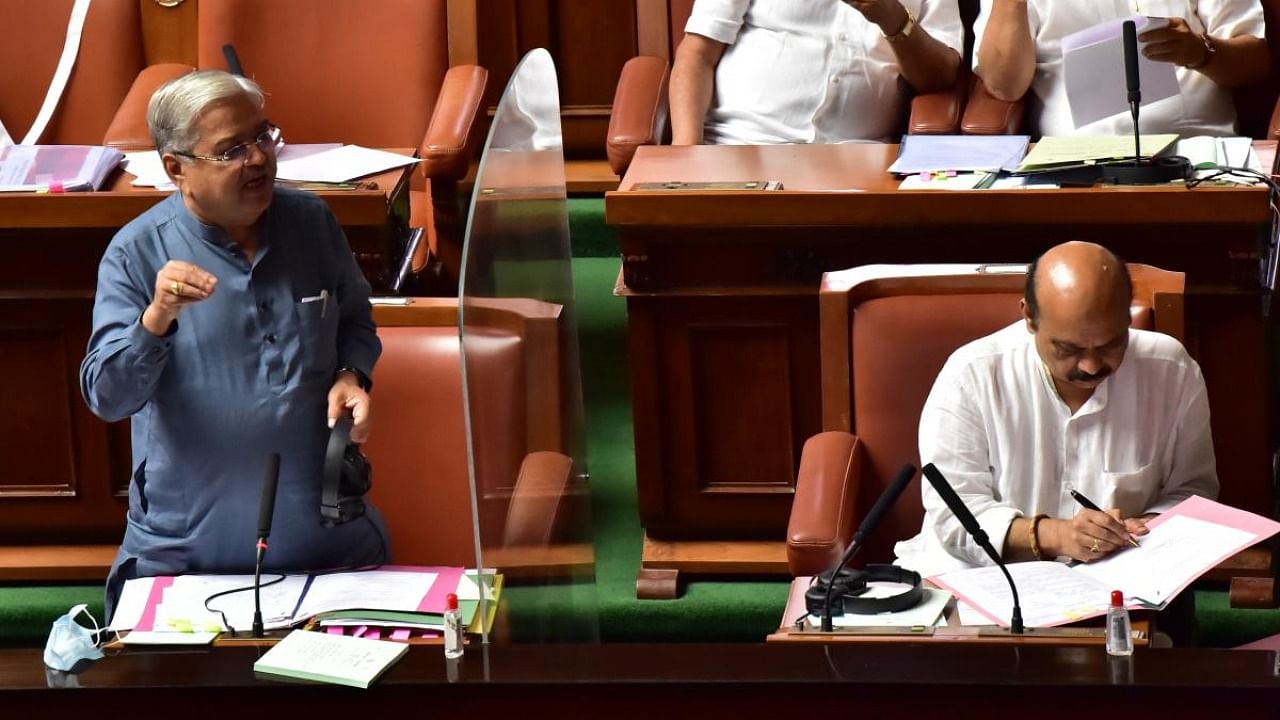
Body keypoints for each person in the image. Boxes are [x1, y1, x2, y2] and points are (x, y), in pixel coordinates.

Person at [81, 70, 388, 618]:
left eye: (263, 136)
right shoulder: (135, 254)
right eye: (232, 150)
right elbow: (107, 397)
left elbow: (356, 323)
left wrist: (352, 375)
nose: (260, 159)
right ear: (176, 168)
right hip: (184, 551)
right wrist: (156, 318)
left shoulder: (311, 223)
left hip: (325, 540)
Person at [894, 241, 1218, 577]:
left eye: (1110, 344)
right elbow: (954, 517)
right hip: (982, 581)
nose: (1091, 366)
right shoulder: (971, 375)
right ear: (1029, 318)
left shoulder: (1170, 369)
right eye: (1068, 349)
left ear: (1127, 317)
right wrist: (1057, 536)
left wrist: (1146, 528)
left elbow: (1194, 491)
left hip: (1120, 580)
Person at [669, 0, 963, 145]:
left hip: (856, 162)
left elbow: (940, 77)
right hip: (737, 145)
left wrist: (893, 19)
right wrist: (686, 155)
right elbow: (697, 54)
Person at [974, 0, 1270, 137]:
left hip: (1194, 155)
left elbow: (1255, 61)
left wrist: (1199, 51)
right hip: (1075, 170)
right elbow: (1004, 84)